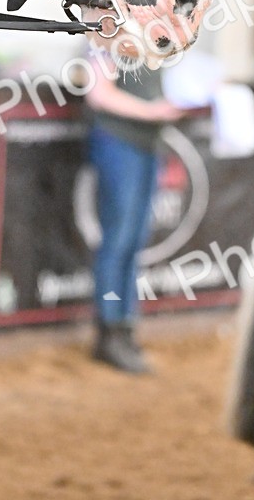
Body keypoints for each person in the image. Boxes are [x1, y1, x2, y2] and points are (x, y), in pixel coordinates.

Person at [85, 60, 184, 373]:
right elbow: (98, 93)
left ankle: (123, 327)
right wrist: (152, 111)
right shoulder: (111, 31)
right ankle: (110, 330)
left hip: (145, 143)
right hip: (120, 141)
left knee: (133, 240)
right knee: (119, 241)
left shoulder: (150, 34)